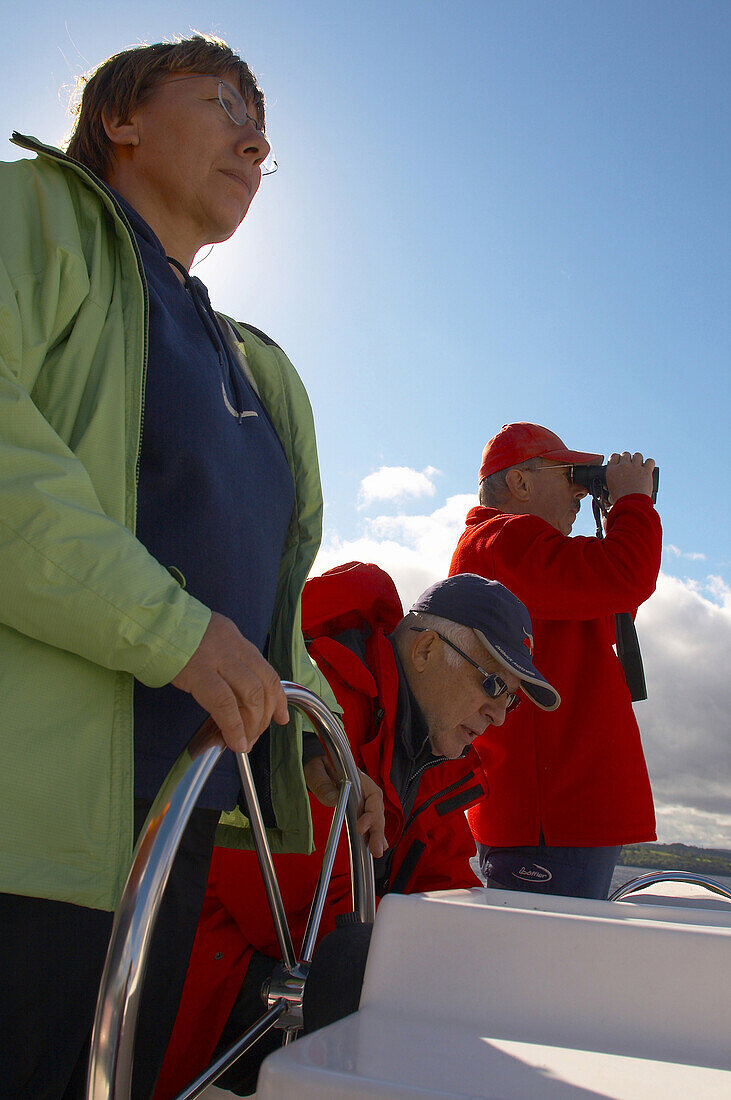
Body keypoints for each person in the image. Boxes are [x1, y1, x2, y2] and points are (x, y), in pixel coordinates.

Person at [0, 35, 347, 1100]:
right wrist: (171, 631)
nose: (255, 136)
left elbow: (266, 592)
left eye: (262, 124)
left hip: (166, 845)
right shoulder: (35, 216)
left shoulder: (253, 361)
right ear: (123, 120)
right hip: (23, 839)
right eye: (221, 101)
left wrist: (328, 740)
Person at [153, 563, 559, 1098]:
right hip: (204, 978)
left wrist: (479, 956)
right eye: (492, 684)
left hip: (316, 963)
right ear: (426, 651)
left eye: (509, 697)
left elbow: (443, 884)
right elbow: (292, 907)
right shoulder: (322, 705)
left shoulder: (436, 760)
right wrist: (416, 964)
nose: (500, 715)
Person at [449, 422, 662, 900]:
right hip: (551, 817)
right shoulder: (501, 541)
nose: (580, 493)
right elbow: (627, 574)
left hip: (557, 815)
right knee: (542, 968)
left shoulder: (523, 555)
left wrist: (621, 513)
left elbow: (612, 603)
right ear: (520, 483)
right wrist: (632, 502)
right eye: (569, 475)